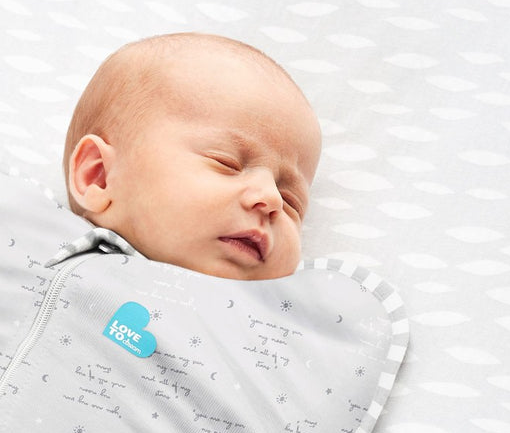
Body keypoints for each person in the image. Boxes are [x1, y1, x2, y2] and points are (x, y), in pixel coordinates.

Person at [62, 31, 322, 281]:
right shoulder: (41, 247)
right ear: (99, 176)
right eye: (226, 163)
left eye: (291, 202)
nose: (272, 199)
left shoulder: (304, 303)